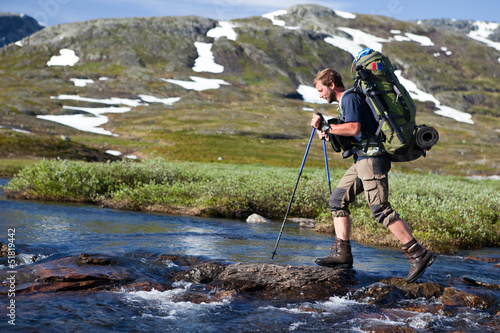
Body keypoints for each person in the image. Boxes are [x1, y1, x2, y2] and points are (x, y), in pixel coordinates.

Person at [310, 68, 435, 283]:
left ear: (331, 85)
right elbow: (355, 132)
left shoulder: (349, 98)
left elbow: (354, 128)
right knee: (337, 201)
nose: (320, 94)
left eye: (321, 89)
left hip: (371, 160)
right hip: (361, 160)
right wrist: (329, 129)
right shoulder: (347, 102)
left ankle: (418, 253)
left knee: (380, 210)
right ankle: (343, 254)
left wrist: (328, 128)